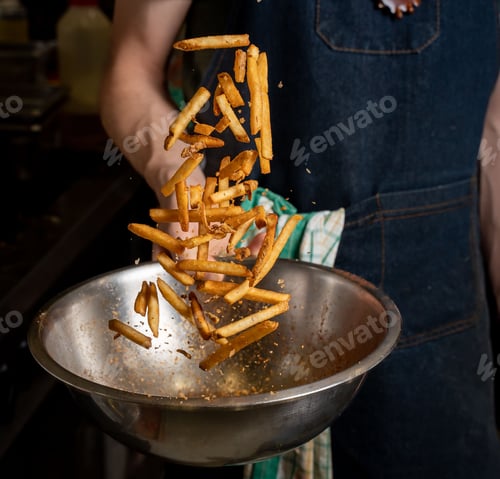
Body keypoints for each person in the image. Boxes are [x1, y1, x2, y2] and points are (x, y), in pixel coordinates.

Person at [99, 1, 500, 478]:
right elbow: (130, 71)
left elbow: (494, 139)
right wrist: (184, 185)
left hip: (443, 319)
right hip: (243, 293)